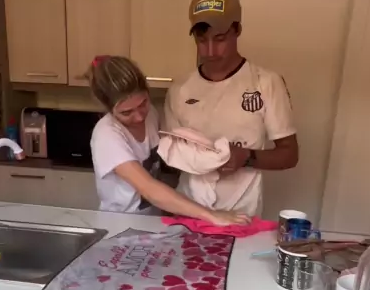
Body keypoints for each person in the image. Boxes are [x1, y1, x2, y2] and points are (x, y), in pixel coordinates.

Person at [164, 0, 298, 216]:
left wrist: (246, 158)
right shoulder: (179, 89)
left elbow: (289, 155)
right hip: (189, 213)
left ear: (237, 30)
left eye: (220, 39)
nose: (210, 51)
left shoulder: (266, 83)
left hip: (241, 215)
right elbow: (172, 157)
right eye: (202, 40)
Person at [88, 55, 249, 226]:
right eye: (126, 113)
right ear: (108, 109)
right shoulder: (107, 135)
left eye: (143, 103)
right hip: (118, 227)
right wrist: (211, 215)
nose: (139, 116)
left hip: (151, 224)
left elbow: (165, 164)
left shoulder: (151, 115)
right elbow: (148, 188)